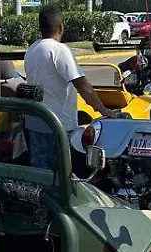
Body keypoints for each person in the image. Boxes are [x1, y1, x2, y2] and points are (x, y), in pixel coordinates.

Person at [24, 5, 118, 170]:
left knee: (41, 173)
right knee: (63, 177)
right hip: (59, 126)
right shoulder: (59, 50)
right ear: (61, 27)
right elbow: (82, 85)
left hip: (36, 123)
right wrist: (103, 110)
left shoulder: (32, 50)